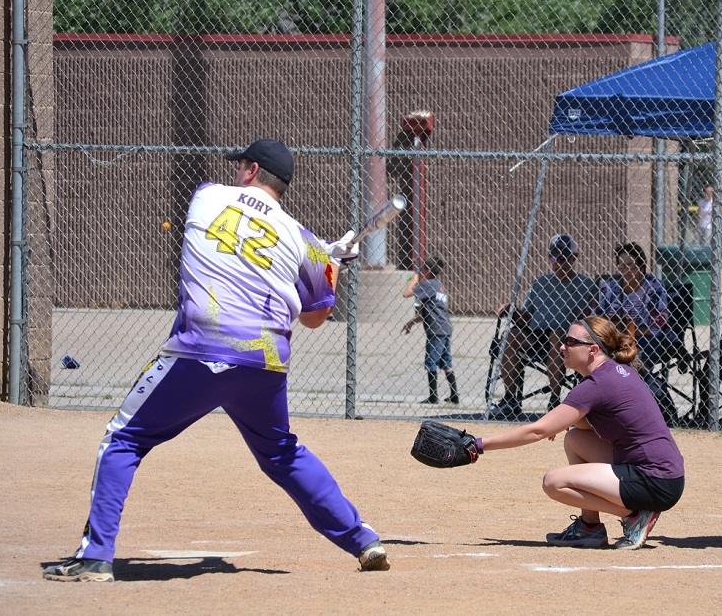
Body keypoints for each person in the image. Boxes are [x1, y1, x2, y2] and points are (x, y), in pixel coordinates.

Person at [43, 138, 390, 581]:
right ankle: (363, 540)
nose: (236, 172)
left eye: (240, 166)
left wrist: (325, 254)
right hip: (263, 363)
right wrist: (332, 262)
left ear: (250, 170)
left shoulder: (206, 196)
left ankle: (95, 558)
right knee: (281, 452)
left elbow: (242, 242)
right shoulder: (303, 240)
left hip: (199, 353)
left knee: (123, 439)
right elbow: (316, 317)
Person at [475, 315, 684, 549]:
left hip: (653, 481)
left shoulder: (595, 385)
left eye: (571, 342)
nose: (562, 347)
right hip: (663, 475)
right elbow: (586, 425)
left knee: (554, 482)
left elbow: (537, 431)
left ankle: (636, 514)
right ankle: (589, 527)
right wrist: (567, 422)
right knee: (575, 439)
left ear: (593, 349)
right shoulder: (615, 371)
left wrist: (479, 445)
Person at [488, 234, 599, 420]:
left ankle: (554, 400)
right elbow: (527, 317)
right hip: (536, 333)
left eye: (563, 258)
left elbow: (592, 318)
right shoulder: (541, 282)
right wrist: (512, 309)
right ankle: (510, 400)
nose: (558, 262)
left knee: (556, 336)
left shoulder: (586, 284)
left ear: (574, 258)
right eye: (553, 257)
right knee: (510, 336)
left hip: (566, 337)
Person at [596, 242, 672, 368]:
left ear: (641, 267)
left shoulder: (653, 287)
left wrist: (629, 333)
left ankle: (633, 381)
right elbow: (597, 318)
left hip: (643, 337)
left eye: (630, 266)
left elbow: (657, 325)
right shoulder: (608, 286)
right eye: (621, 266)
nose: (625, 270)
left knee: (646, 346)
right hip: (612, 337)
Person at [402, 256, 459, 405]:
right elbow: (431, 310)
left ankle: (433, 397)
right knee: (446, 361)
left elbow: (406, 293)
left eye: (422, 269)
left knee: (431, 361)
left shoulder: (427, 284)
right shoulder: (438, 285)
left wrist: (414, 279)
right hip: (445, 327)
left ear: (427, 271)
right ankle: (454, 395)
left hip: (436, 330)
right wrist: (412, 322)